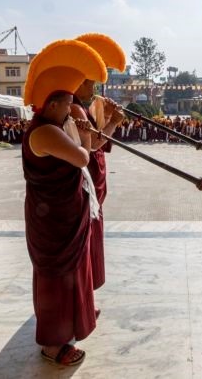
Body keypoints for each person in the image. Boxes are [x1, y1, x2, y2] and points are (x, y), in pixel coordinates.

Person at [21, 40, 108, 367]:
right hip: (53, 219)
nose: (72, 109)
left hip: (66, 212)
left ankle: (75, 321)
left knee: (75, 270)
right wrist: (82, 132)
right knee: (57, 277)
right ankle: (53, 345)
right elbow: (82, 157)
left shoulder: (56, 125)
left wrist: (80, 128)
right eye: (68, 104)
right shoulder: (44, 132)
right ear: (53, 104)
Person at [71, 33, 127, 293]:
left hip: (95, 171)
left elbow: (98, 136)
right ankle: (84, 293)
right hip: (85, 176)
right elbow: (94, 143)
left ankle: (89, 289)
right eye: (89, 82)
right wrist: (115, 121)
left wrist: (109, 115)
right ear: (77, 82)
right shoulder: (73, 109)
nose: (93, 88)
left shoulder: (85, 106)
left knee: (93, 234)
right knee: (87, 235)